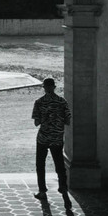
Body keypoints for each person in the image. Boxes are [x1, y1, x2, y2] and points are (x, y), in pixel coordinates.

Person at [32, 77, 72, 208]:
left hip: (43, 137)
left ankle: (42, 191)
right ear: (54, 87)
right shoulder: (62, 102)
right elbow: (68, 121)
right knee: (59, 163)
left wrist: (45, 120)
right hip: (57, 138)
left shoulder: (39, 102)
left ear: (44, 87)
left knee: (40, 164)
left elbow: (36, 122)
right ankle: (63, 187)